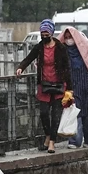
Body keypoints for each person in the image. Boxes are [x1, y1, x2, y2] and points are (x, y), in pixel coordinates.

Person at [16, 19, 71, 153]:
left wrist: (70, 88)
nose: (44, 36)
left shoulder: (61, 48)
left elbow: (67, 68)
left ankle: (52, 142)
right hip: (44, 85)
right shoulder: (39, 47)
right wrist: (21, 68)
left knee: (56, 115)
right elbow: (29, 58)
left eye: (47, 33)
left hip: (58, 85)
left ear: (51, 33)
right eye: (42, 33)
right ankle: (47, 135)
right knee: (44, 113)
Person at [62, 27, 88, 148]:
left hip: (87, 85)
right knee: (75, 113)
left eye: (70, 37)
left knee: (86, 115)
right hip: (72, 86)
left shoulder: (85, 51)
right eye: (65, 38)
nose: (68, 40)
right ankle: (75, 141)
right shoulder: (63, 52)